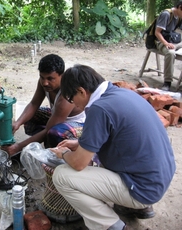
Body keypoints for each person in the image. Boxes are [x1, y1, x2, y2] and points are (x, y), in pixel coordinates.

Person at [50, 64, 176, 230]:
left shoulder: (99, 108)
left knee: (61, 176)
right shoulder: (121, 93)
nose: (75, 105)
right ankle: (134, 206)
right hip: (161, 175)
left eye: (73, 99)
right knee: (100, 157)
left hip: (144, 187)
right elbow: (119, 135)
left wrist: (64, 154)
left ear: (81, 91)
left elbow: (79, 163)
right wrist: (80, 143)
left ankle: (113, 226)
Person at [1, 54, 85, 156]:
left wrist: (17, 148)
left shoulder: (66, 94)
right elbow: (33, 104)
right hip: (58, 118)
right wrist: (18, 123)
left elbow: (48, 129)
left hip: (80, 126)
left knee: (54, 132)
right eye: (42, 77)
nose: (45, 83)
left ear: (61, 76)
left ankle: (56, 150)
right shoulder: (44, 83)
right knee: (30, 117)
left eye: (50, 78)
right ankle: (46, 142)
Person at [155, 1, 182, 91]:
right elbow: (157, 32)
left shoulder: (178, 16)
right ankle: (167, 82)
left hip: (172, 40)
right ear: (180, 7)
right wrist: (166, 44)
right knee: (170, 53)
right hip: (161, 41)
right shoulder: (166, 14)